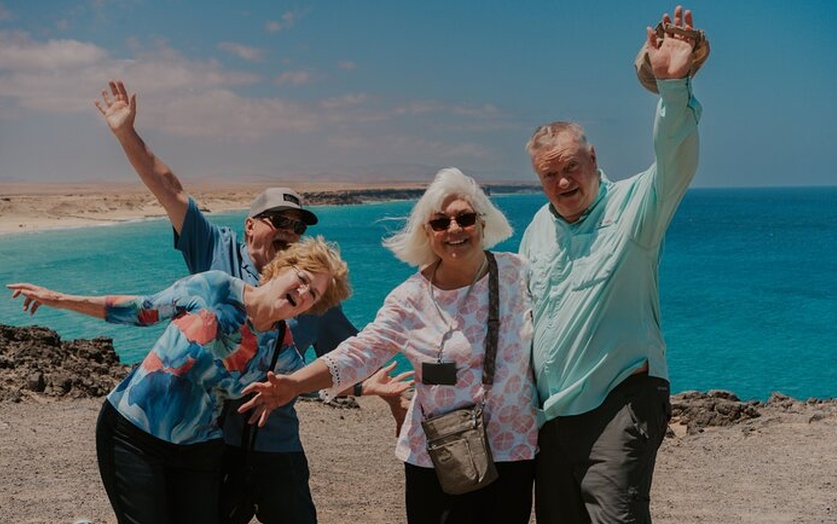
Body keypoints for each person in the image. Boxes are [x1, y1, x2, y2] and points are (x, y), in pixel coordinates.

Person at [94, 80, 409, 524]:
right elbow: (169, 187)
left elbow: (352, 355)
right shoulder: (213, 249)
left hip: (275, 444)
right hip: (207, 442)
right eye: (278, 220)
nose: (289, 230)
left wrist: (385, 391)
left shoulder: (312, 295)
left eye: (297, 226)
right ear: (249, 226)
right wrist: (126, 133)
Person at [239, 168, 538, 524]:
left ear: (483, 223)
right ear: (427, 233)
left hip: (513, 449)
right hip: (439, 457)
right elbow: (359, 352)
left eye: (465, 218)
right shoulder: (409, 298)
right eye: (440, 223)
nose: (454, 229)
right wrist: (294, 384)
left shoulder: (520, 274)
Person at [7, 237, 353, 524]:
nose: (304, 292)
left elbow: (312, 382)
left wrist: (373, 386)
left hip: (199, 451)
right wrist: (60, 299)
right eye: (304, 278)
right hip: (132, 434)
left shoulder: (282, 352)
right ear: (280, 268)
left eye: (314, 295)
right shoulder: (215, 287)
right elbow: (142, 309)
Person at [519, 6, 704, 524]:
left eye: (571, 167)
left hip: (620, 403)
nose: (563, 183)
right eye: (549, 175)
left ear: (593, 158)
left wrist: (672, 86)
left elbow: (676, 158)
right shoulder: (538, 227)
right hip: (552, 417)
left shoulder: (635, 207)